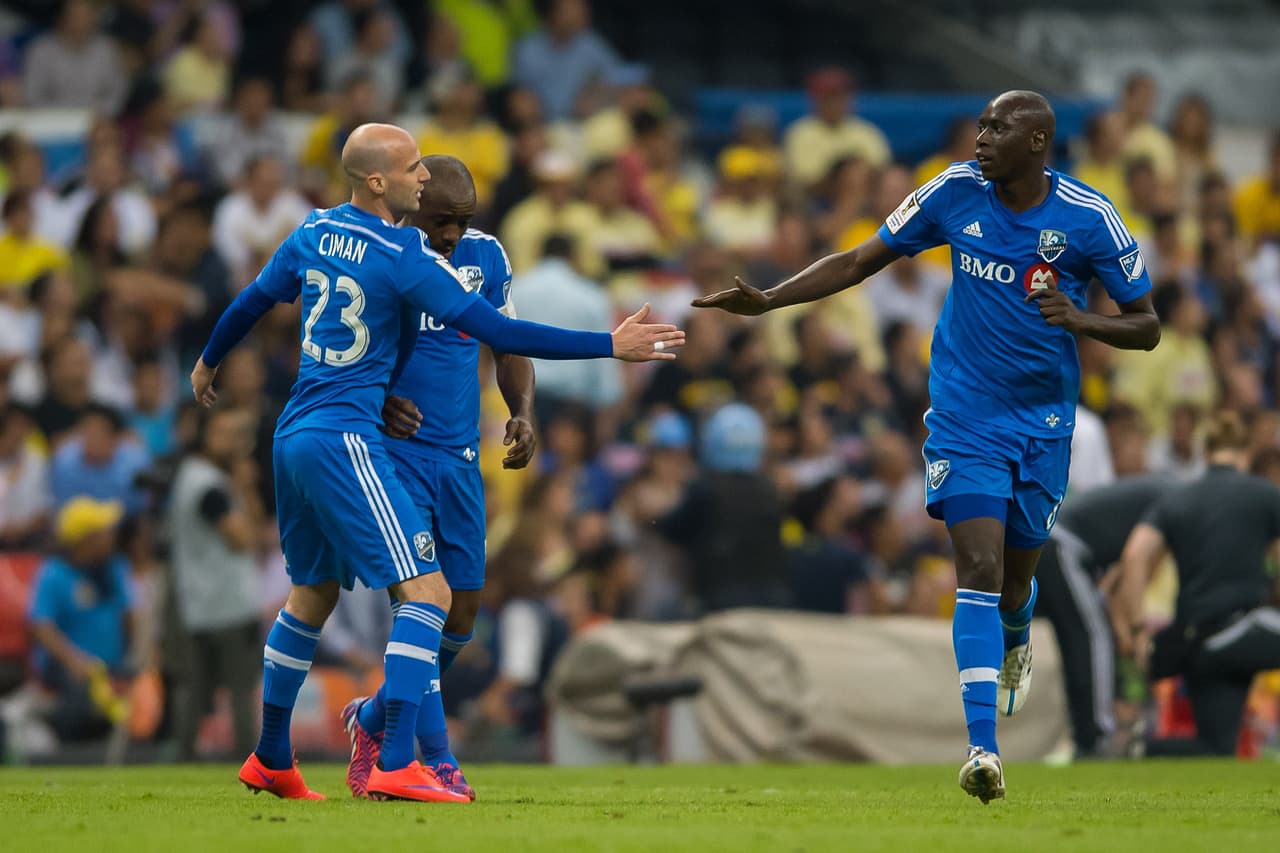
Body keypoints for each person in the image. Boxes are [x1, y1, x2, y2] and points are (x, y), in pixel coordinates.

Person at [189, 121, 682, 802]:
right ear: (379, 182)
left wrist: (207, 360)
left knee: (323, 595)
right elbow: (502, 331)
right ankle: (407, 760)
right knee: (426, 595)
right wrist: (609, 343)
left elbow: (252, 301)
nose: (423, 177)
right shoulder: (402, 253)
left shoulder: (313, 229)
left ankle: (275, 754)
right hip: (362, 443)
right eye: (414, 169)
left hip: (304, 430)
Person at [694, 90, 1160, 803]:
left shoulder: (1089, 217)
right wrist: (769, 299)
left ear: (1037, 143)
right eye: (979, 124)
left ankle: (1017, 623)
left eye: (998, 128)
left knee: (1014, 576)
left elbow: (1148, 324)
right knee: (977, 560)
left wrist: (1081, 318)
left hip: (1042, 423)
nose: (982, 137)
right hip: (965, 413)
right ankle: (983, 749)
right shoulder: (952, 192)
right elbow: (856, 260)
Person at [340, 155, 537, 801]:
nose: (451, 233)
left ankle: (371, 718)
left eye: (463, 220)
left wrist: (523, 411)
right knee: (423, 604)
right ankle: (434, 758)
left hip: (458, 459)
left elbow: (508, 343)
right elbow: (336, 349)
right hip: (394, 457)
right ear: (410, 206)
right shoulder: (382, 255)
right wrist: (376, 400)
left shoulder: (487, 257)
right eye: (440, 220)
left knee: (464, 613)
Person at [1113, 412, 1280, 757]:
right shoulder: (1264, 494)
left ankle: (1138, 749)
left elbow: (1134, 556)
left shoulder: (1178, 498)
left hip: (1196, 644)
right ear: (1245, 453)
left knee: (1215, 748)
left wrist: (1136, 629)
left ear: (1206, 454)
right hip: (1241, 629)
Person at [1036, 475, 1167, 758]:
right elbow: (1136, 563)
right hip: (1061, 543)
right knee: (1092, 637)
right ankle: (1097, 735)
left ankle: (1085, 735)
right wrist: (1135, 629)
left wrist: (1121, 628)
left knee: (1079, 641)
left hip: (1051, 543)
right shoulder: (1173, 499)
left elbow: (1116, 582)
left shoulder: (1162, 493)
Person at [167, 407, 264, 761]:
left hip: (200, 602)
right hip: (227, 602)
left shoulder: (195, 477)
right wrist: (245, 487)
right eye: (222, 434)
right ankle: (248, 760)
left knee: (195, 690)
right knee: (238, 691)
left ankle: (185, 758)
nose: (231, 443)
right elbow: (243, 538)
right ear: (205, 436)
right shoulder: (207, 484)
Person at [27, 496, 134, 742]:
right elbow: (40, 626)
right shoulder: (53, 573)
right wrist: (74, 660)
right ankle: (71, 753)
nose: (111, 536)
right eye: (103, 531)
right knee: (78, 696)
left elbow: (129, 614)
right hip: (67, 668)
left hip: (112, 666)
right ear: (86, 539)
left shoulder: (113, 568)